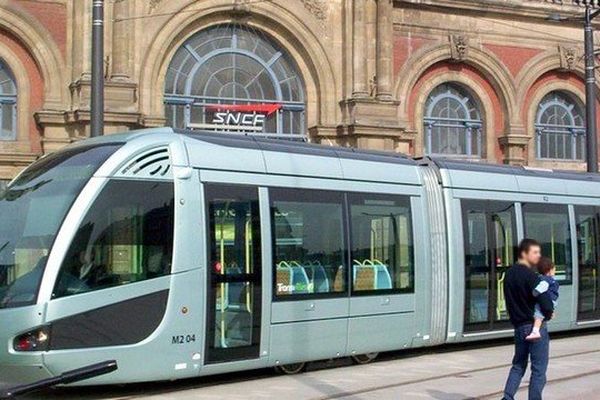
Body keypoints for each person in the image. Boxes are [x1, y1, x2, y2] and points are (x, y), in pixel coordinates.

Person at [502, 239, 554, 400]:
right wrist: (549, 312)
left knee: (518, 365)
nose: (539, 256)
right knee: (538, 369)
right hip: (535, 327)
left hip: (518, 327)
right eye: (535, 252)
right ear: (524, 253)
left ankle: (507, 397)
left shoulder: (509, 274)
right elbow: (545, 301)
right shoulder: (532, 276)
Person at [526, 257, 560, 341]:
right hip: (552, 300)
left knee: (538, 314)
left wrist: (535, 292)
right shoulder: (551, 280)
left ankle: (535, 331)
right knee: (541, 312)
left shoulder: (544, 280)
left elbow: (541, 288)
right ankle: (551, 313)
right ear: (550, 270)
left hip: (548, 300)